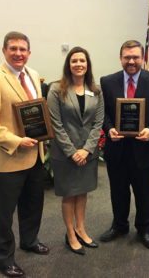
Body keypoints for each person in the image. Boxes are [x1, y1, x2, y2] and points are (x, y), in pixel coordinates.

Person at [0, 31, 49, 277]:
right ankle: (4, 258)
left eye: (23, 49)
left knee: (32, 204)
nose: (19, 53)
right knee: (4, 214)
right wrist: (16, 141)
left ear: (29, 52)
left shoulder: (34, 75)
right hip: (9, 157)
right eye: (13, 48)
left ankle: (29, 240)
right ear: (4, 50)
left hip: (35, 155)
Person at [100, 40, 149, 249]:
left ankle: (144, 229)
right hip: (117, 148)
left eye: (135, 57)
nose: (131, 61)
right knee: (118, 191)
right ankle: (119, 225)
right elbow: (102, 112)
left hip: (145, 149)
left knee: (143, 192)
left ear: (142, 58)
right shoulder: (107, 81)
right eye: (127, 57)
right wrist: (109, 128)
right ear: (121, 58)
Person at [47, 47, 104, 255]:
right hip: (65, 154)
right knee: (69, 195)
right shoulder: (56, 89)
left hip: (88, 154)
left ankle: (81, 228)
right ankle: (70, 233)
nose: (78, 64)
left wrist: (87, 150)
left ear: (87, 64)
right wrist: (73, 152)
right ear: (68, 65)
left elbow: (98, 123)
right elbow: (56, 124)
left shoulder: (96, 90)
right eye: (74, 61)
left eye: (82, 60)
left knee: (82, 192)